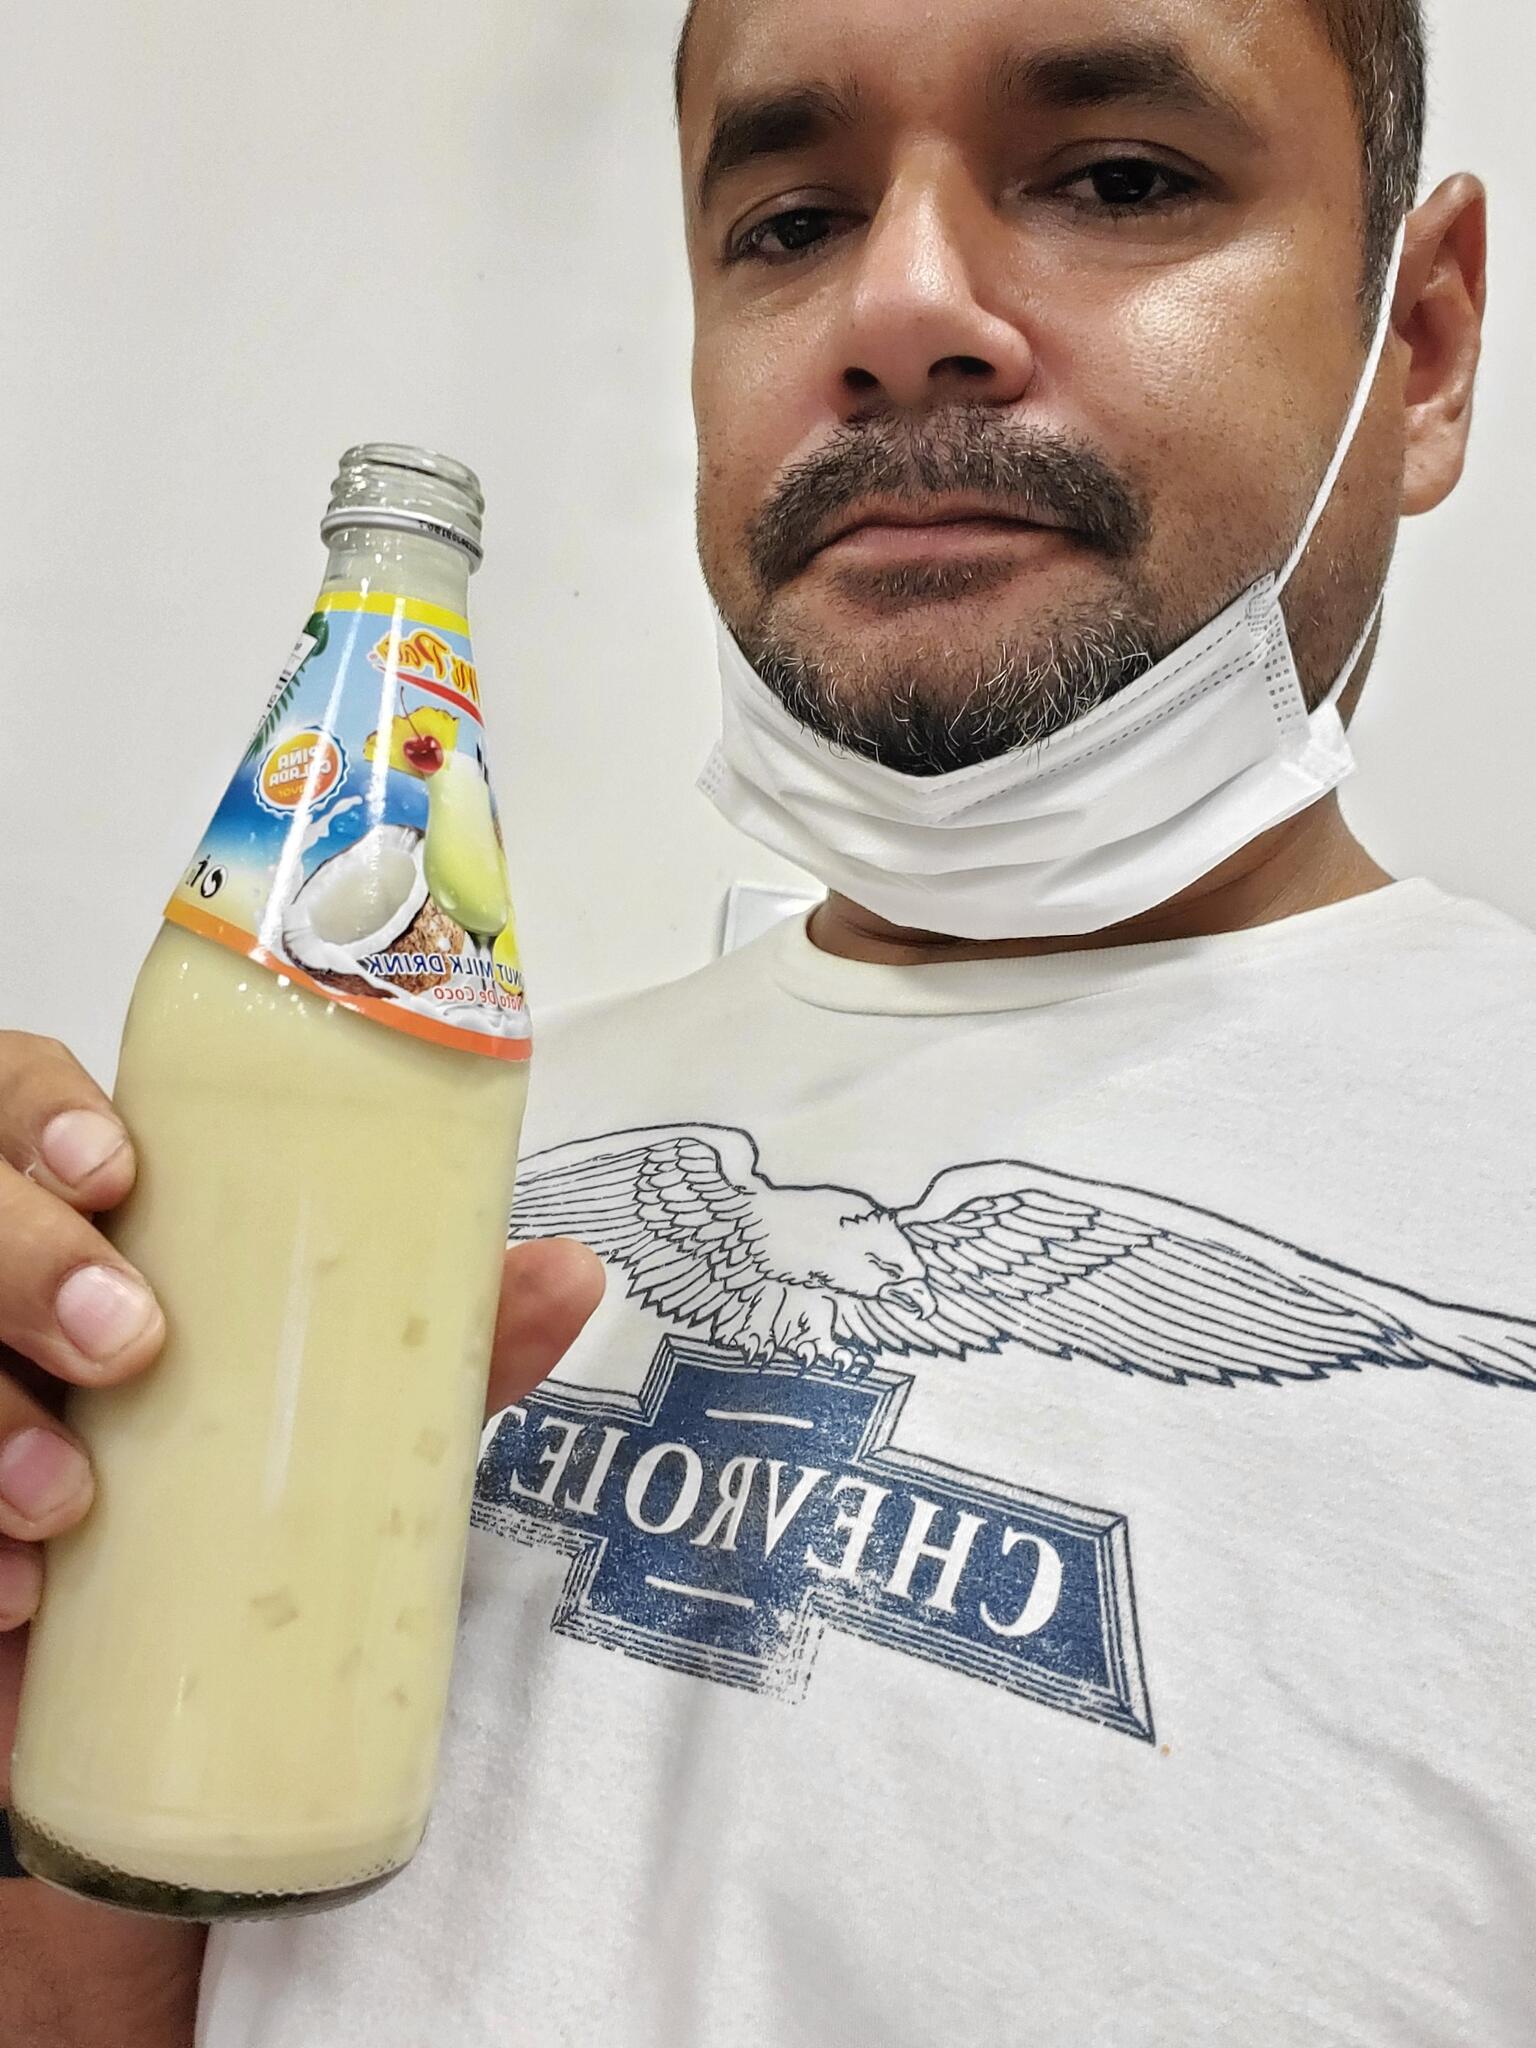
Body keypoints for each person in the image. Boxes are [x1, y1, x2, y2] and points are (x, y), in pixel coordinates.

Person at [2, 0, 1530, 2039]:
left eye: (1119, 177)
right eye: (793, 220)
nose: (897, 309)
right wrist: (57, 1756)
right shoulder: (456, 1146)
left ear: (1420, 343)